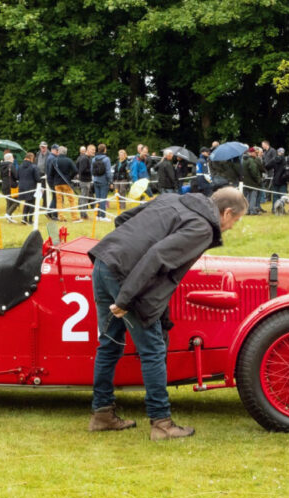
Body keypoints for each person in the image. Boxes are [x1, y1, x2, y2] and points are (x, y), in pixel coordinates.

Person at [87, 187, 247, 440]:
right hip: (126, 278)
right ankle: (161, 422)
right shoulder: (203, 228)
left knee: (109, 344)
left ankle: (102, 414)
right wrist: (127, 296)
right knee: (153, 349)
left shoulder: (172, 198)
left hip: (104, 261)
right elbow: (158, 255)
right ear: (227, 212)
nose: (231, 226)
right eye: (235, 220)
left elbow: (123, 220)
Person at [53, 146, 81, 223]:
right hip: (66, 182)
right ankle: (74, 217)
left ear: (59, 152)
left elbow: (51, 173)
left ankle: (61, 217)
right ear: (66, 152)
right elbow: (75, 171)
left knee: (59, 200)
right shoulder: (69, 160)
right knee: (71, 200)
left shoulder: (54, 161)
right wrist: (70, 177)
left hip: (57, 183)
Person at [17, 152, 40, 224]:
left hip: (22, 187)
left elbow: (17, 177)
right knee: (32, 203)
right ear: (31, 158)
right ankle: (30, 220)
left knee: (27, 202)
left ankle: (24, 218)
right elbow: (37, 179)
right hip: (31, 187)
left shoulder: (20, 166)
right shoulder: (34, 167)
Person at [92, 143, 112, 221]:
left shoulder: (94, 159)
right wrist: (110, 181)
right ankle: (103, 216)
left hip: (96, 180)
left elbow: (92, 170)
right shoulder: (106, 159)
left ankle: (97, 215)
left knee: (97, 198)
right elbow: (108, 172)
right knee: (103, 198)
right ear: (104, 149)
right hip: (104, 181)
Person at [0, 153, 20, 222]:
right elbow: (16, 176)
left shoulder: (1, 166)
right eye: (12, 157)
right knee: (17, 201)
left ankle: (9, 218)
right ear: (9, 158)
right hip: (11, 186)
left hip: (4, 185)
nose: (13, 159)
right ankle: (8, 214)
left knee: (9, 202)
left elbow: (1, 176)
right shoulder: (11, 165)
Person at [242, 147, 262, 214]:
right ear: (251, 153)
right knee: (253, 197)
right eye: (255, 153)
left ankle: (247, 211)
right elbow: (254, 172)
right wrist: (258, 180)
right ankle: (252, 211)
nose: (256, 154)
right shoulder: (251, 160)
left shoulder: (243, 160)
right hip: (252, 182)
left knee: (247, 197)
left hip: (245, 182)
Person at [76, 145, 92, 219]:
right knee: (84, 198)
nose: (93, 152)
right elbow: (82, 170)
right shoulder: (84, 158)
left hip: (85, 180)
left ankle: (83, 213)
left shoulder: (86, 158)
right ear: (87, 150)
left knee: (84, 197)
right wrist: (91, 170)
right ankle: (83, 214)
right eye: (92, 150)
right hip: (84, 180)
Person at [45, 144, 59, 220]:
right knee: (56, 197)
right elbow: (52, 171)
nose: (58, 152)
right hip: (53, 180)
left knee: (55, 197)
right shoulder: (52, 158)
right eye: (57, 150)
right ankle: (53, 214)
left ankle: (50, 212)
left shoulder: (50, 157)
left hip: (51, 179)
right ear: (52, 150)